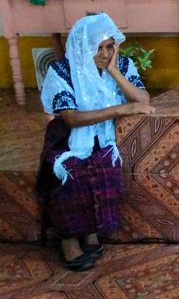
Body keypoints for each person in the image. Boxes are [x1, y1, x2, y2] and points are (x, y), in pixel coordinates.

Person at [36, 13, 155, 271]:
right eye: (97, 48)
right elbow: (71, 119)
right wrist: (119, 110)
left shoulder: (120, 65)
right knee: (69, 171)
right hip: (67, 140)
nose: (104, 54)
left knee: (104, 165)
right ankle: (68, 242)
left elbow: (143, 99)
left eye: (110, 46)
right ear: (83, 47)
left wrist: (113, 70)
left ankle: (91, 233)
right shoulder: (62, 70)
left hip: (102, 136)